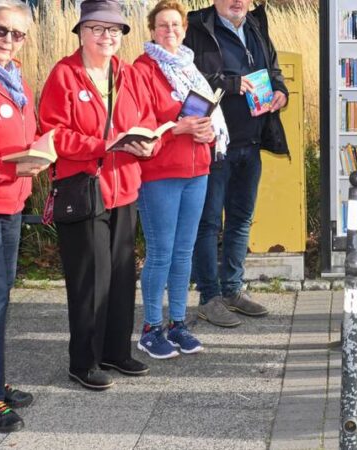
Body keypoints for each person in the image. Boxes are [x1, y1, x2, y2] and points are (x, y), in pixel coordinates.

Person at [39, 0, 158, 390]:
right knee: (91, 280)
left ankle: (116, 352)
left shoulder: (129, 73)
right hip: (85, 189)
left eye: (114, 30)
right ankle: (83, 362)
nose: (107, 37)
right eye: (98, 29)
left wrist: (149, 144)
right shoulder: (64, 74)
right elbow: (54, 133)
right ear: (82, 32)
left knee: (123, 273)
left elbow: (148, 120)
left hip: (125, 186)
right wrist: (104, 145)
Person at [132, 0, 229, 359]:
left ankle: (177, 324)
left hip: (197, 171)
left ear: (184, 29)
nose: (169, 32)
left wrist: (208, 134)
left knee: (183, 253)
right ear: (152, 30)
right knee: (160, 253)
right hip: (160, 173)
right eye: (162, 26)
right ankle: (150, 328)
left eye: (175, 25)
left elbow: (209, 116)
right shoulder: (142, 70)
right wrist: (178, 128)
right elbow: (140, 125)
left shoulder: (191, 67)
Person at [185, 0, 289, 328]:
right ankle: (209, 297)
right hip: (217, 145)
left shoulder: (256, 25)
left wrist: (281, 91)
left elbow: (272, 70)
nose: (237, 1)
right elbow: (190, 82)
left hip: (252, 141)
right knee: (209, 223)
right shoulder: (199, 29)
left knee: (241, 220)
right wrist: (229, 84)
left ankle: (232, 290)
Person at [0, 0, 41, 433]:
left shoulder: (14, 78)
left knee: (1, 299)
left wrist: (41, 150)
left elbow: (24, 134)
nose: (8, 40)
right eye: (0, 30)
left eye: (17, 34)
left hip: (12, 204)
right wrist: (11, 166)